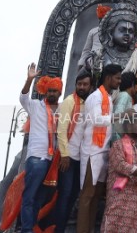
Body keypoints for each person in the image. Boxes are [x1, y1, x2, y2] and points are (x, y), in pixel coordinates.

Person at [74, 63, 123, 233]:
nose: (119, 81)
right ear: (108, 78)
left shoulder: (108, 97)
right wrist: (119, 116)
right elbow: (97, 120)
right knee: (87, 195)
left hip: (102, 152)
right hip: (91, 152)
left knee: (96, 196)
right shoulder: (96, 97)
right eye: (117, 77)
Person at [18, 64, 62, 233]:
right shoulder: (36, 106)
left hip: (52, 162)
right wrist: (29, 79)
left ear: (59, 93)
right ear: (45, 92)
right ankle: (26, 230)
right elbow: (23, 98)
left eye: (55, 91)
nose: (51, 93)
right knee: (29, 196)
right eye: (49, 90)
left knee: (40, 198)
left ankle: (31, 227)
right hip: (36, 158)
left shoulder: (62, 110)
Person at [52, 72, 93, 233]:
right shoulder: (69, 102)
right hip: (68, 158)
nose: (82, 87)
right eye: (79, 84)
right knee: (65, 195)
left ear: (90, 86)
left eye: (85, 84)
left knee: (74, 195)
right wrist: (64, 154)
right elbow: (61, 130)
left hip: (81, 159)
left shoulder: (89, 104)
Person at [104, 111, 137, 233]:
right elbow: (119, 165)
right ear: (127, 126)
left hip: (136, 197)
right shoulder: (118, 144)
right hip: (119, 195)